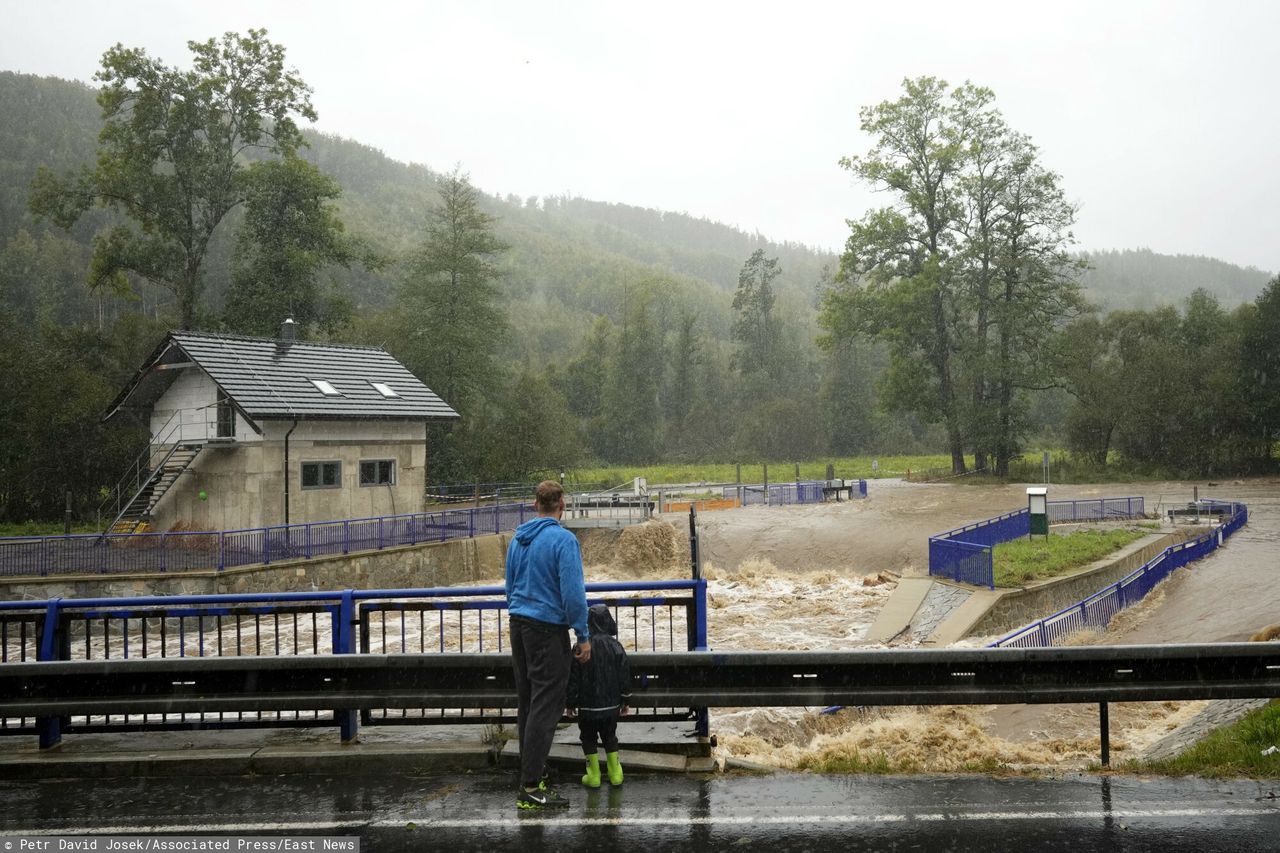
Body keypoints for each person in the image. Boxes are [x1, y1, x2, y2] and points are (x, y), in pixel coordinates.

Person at [505, 479, 591, 810]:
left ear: (534, 505)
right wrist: (582, 635)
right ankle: (530, 785)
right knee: (547, 705)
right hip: (546, 629)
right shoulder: (563, 541)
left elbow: (509, 586)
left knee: (528, 702)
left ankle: (532, 776)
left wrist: (521, 612)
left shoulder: (518, 539)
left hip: (519, 625)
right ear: (562, 506)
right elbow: (572, 593)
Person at [567, 603, 631, 788]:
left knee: (588, 738)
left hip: (587, 707)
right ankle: (615, 773)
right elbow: (624, 676)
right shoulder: (616, 646)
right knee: (610, 737)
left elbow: (573, 679)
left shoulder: (581, 647)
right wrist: (625, 699)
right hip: (611, 707)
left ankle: (593, 776)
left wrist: (570, 703)